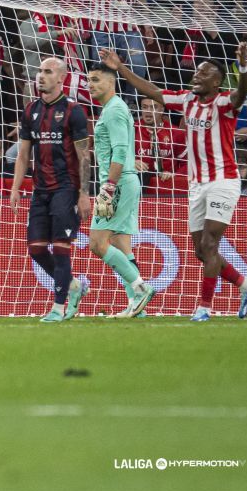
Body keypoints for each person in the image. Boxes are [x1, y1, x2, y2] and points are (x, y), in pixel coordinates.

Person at [99, 45, 247, 320]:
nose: (195, 77)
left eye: (203, 74)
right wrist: (121, 67)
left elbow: (241, 93)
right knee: (201, 251)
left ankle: (204, 307)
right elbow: (151, 91)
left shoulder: (223, 103)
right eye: (196, 72)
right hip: (197, 184)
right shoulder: (187, 100)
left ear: (216, 82)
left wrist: (244, 70)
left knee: (210, 245)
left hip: (223, 181)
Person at [9, 57, 91, 322]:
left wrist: (84, 193)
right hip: (40, 190)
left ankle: (59, 307)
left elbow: (84, 156)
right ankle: (73, 286)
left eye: (47, 72)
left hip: (66, 189)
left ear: (61, 78)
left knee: (61, 248)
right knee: (36, 250)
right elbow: (23, 155)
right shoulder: (31, 110)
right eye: (39, 71)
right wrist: (15, 187)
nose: (40, 76)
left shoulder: (74, 111)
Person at [86, 63, 156, 318]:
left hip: (118, 183)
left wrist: (108, 187)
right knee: (121, 244)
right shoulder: (114, 109)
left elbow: (120, 150)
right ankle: (136, 305)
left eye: (95, 79)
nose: (90, 84)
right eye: (88, 80)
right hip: (125, 181)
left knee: (97, 243)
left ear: (110, 82)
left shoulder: (114, 110)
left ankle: (140, 289)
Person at [135, 97, 187, 190]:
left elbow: (187, 164)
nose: (148, 111)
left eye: (154, 107)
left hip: (167, 186)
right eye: (144, 107)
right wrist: (131, 162)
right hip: (139, 185)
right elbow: (118, 156)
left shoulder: (176, 133)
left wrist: (174, 175)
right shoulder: (132, 130)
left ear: (162, 109)